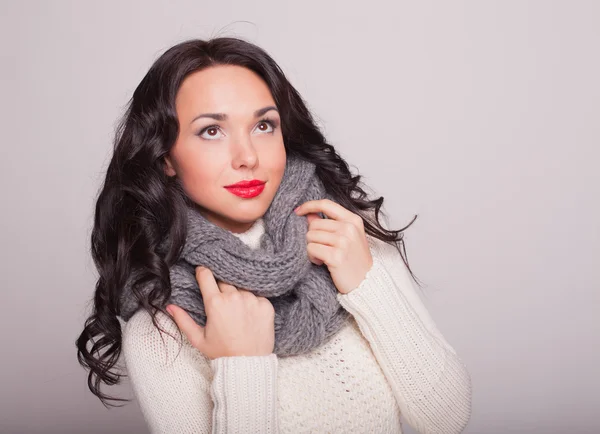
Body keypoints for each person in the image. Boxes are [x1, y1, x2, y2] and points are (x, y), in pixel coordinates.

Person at [76, 37, 472, 433]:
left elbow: (447, 420)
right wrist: (242, 364)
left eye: (263, 125)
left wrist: (369, 285)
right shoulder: (163, 317)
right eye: (211, 131)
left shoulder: (344, 233)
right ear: (166, 158)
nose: (247, 156)